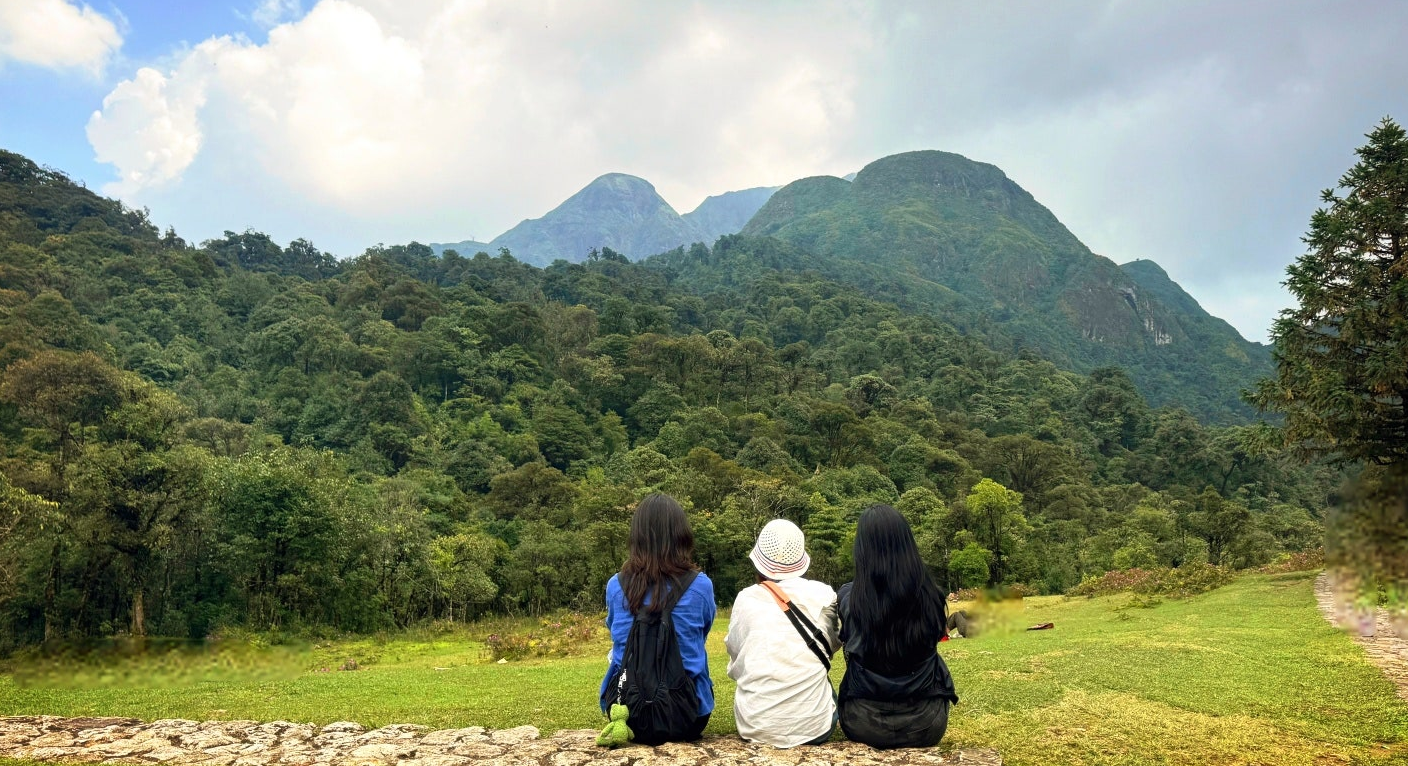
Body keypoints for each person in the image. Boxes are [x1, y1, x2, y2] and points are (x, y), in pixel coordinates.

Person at [837, 504, 959, 749]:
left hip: (861, 723)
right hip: (927, 723)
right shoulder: (932, 596)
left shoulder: (848, 598)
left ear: (862, 549)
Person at [599, 494, 716, 742]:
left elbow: (615, 632)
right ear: (682, 536)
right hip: (688, 715)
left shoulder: (616, 586)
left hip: (627, 713)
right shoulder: (701, 586)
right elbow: (702, 633)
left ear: (636, 537)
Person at [725, 519, 841, 747]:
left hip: (755, 726)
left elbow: (736, 655)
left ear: (758, 562)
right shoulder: (824, 595)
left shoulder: (745, 599)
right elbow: (832, 643)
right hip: (814, 729)